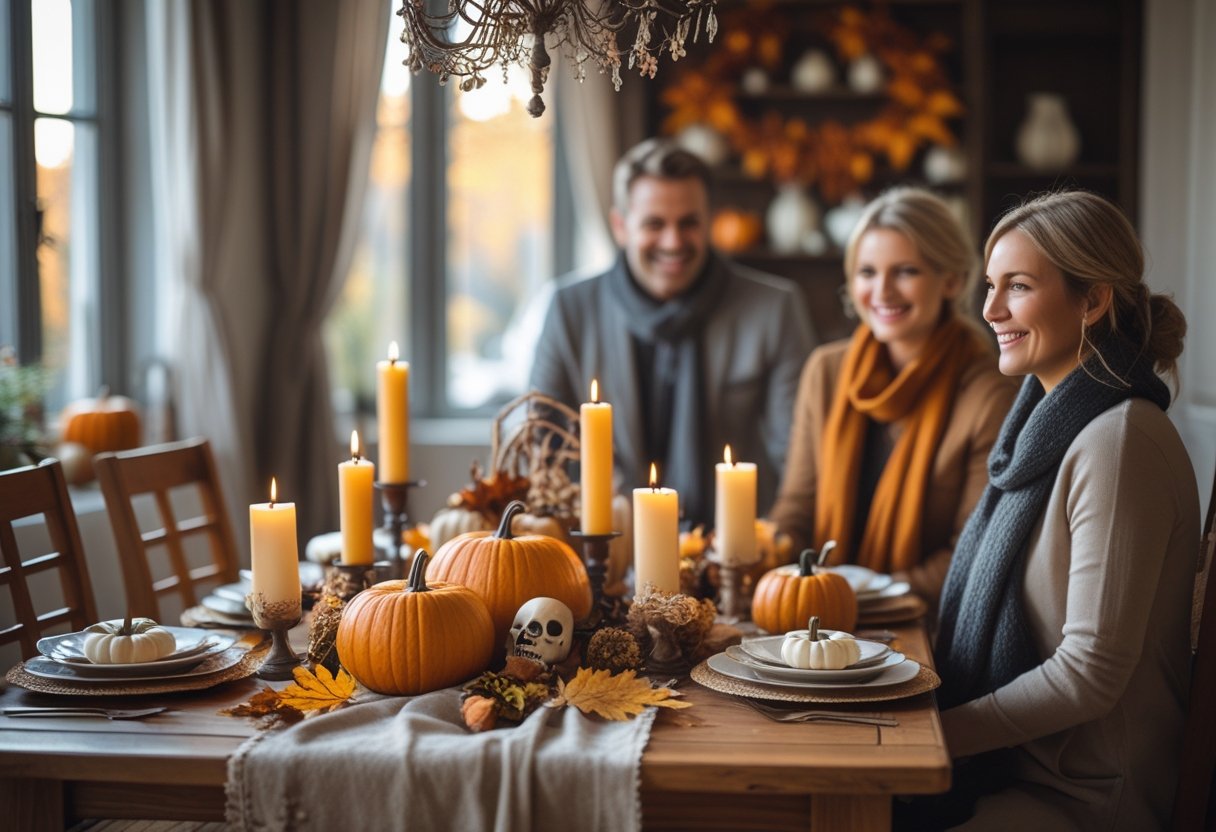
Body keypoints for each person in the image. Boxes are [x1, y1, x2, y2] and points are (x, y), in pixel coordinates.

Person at [926, 191, 1200, 830]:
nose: (990, 310)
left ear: (1093, 300)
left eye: (1017, 287)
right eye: (991, 286)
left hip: (1084, 799)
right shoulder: (1042, 432)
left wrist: (933, 737)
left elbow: (1089, 674)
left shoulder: (1119, 440)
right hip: (1025, 770)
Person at [529, 138, 815, 528]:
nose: (673, 242)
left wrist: (773, 541)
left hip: (733, 550)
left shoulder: (774, 308)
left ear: (709, 221)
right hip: (605, 552)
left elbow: (801, 460)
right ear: (620, 226)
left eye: (689, 223)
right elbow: (541, 451)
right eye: (654, 224)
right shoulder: (569, 309)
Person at [769, 187, 1016, 605]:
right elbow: (797, 509)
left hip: (923, 625)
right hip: (817, 614)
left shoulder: (989, 393)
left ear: (952, 280)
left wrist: (859, 596)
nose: (882, 291)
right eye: (867, 272)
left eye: (905, 271)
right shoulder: (825, 371)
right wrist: (761, 547)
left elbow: (971, 552)